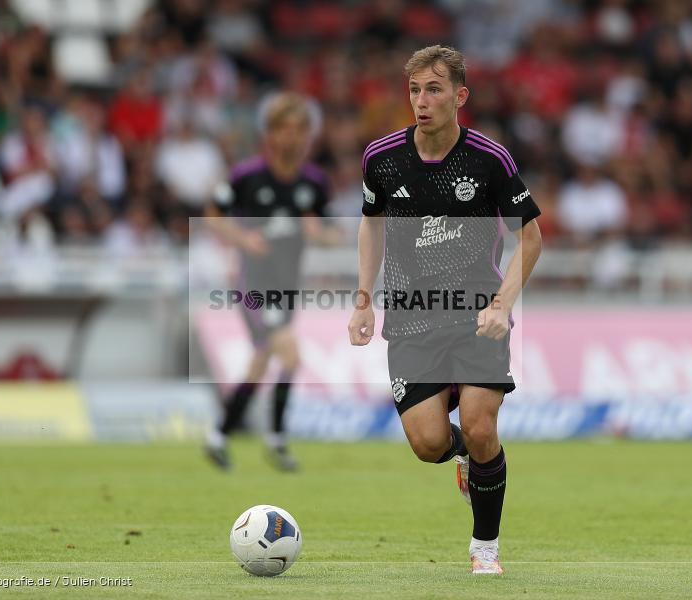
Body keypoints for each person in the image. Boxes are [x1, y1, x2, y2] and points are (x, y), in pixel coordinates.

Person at [348, 46, 543, 574]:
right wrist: (363, 299)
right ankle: (461, 455)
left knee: (481, 426)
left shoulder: (489, 159)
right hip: (412, 317)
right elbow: (371, 223)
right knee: (428, 443)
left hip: (478, 315)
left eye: (433, 89)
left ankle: (485, 547)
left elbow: (531, 236)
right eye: (414, 90)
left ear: (460, 96)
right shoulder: (381, 158)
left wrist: (503, 304)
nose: (421, 100)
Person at [204, 92, 336, 472]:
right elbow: (212, 215)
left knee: (261, 363)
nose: (293, 138)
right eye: (285, 129)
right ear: (271, 133)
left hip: (287, 286)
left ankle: (218, 435)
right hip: (253, 284)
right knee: (290, 354)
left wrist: (321, 234)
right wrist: (243, 239)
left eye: (300, 130)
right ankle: (276, 439)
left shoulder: (314, 183)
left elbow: (330, 232)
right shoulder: (247, 177)